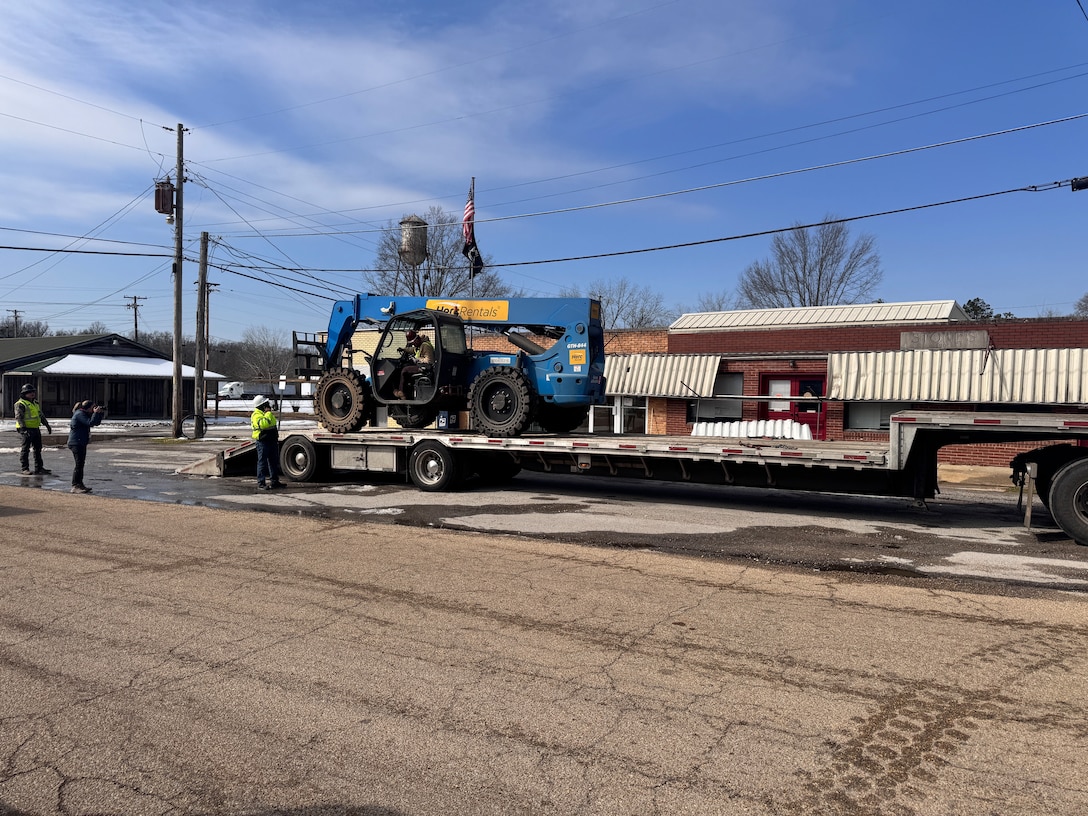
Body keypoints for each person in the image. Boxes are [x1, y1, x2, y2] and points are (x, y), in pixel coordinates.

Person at [15, 383, 53, 476]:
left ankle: (39, 467)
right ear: (24, 394)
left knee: (37, 449)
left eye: (33, 392)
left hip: (35, 428)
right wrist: (24, 429)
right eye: (29, 392)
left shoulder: (35, 403)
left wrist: (47, 425)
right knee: (25, 449)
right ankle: (25, 468)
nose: (32, 393)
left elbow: (41, 415)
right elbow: (19, 417)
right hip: (26, 429)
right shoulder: (20, 404)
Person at [67, 399, 104, 493]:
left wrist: (99, 414)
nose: (94, 409)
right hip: (76, 442)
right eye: (93, 407)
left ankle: (80, 484)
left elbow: (95, 423)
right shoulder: (79, 414)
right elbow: (90, 423)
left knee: (81, 464)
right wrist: (95, 413)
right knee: (79, 465)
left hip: (80, 442)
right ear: (89, 407)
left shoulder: (83, 414)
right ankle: (75, 485)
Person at [251, 396, 284, 490]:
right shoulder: (256, 415)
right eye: (266, 404)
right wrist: (268, 413)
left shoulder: (266, 414)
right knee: (262, 462)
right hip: (263, 441)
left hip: (271, 440)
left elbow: (273, 423)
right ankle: (261, 483)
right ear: (261, 405)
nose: (268, 405)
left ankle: (275, 481)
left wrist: (268, 414)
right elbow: (264, 424)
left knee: (273, 462)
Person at [394, 330, 435, 399]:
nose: (413, 344)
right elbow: (412, 350)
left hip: (426, 368)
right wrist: (403, 349)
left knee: (405, 370)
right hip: (421, 366)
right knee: (404, 366)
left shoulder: (426, 346)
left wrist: (417, 359)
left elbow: (429, 360)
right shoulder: (419, 345)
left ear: (417, 340)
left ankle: (401, 392)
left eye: (413, 343)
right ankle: (405, 389)